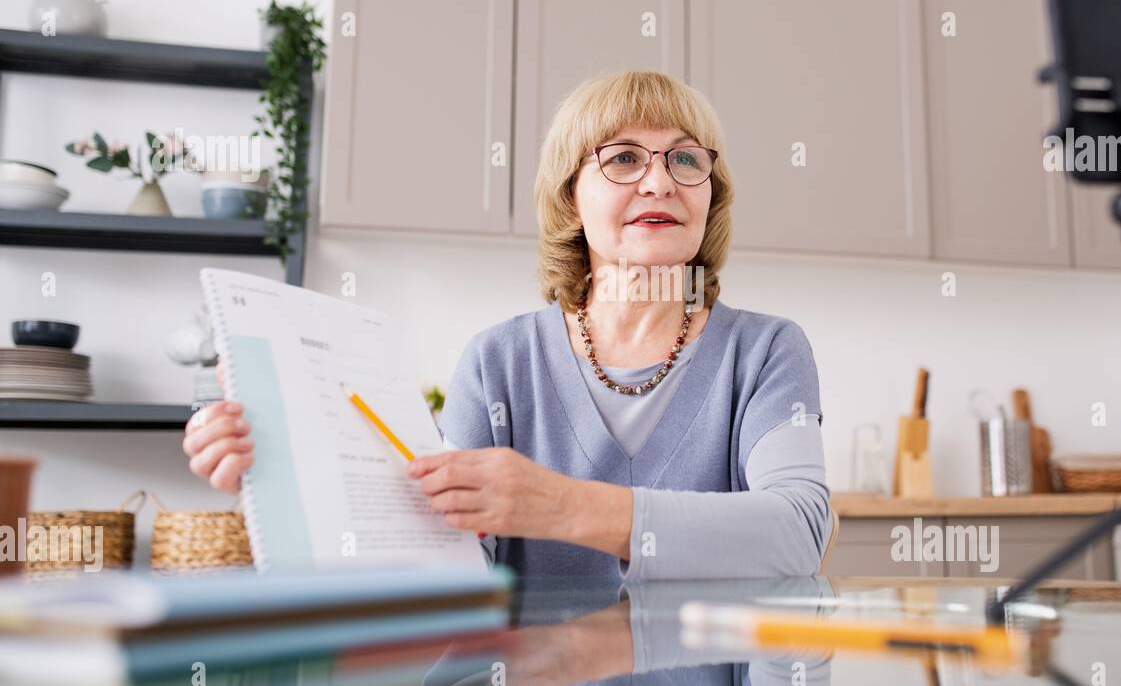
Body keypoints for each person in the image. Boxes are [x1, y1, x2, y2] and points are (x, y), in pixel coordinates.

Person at [182, 70, 830, 582]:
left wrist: (566, 507)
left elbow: (798, 532)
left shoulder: (767, 351)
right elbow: (445, 564)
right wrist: (285, 477)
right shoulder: (498, 361)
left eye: (687, 161)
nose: (660, 180)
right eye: (625, 158)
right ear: (570, 196)